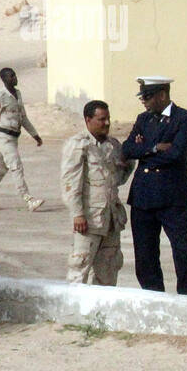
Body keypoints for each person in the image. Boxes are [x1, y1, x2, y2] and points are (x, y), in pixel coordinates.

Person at [121, 76, 187, 296]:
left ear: (163, 94)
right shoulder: (143, 120)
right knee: (145, 254)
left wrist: (144, 151)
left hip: (170, 196)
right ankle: (153, 296)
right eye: (142, 96)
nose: (143, 101)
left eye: (147, 96)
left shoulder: (184, 119)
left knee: (182, 251)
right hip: (143, 195)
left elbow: (177, 154)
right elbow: (127, 149)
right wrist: (156, 147)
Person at [61, 100, 132, 285]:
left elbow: (119, 179)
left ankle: (100, 313)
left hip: (111, 219)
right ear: (88, 120)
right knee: (80, 268)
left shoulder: (113, 145)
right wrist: (77, 214)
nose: (107, 123)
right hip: (89, 219)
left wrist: (130, 160)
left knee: (109, 268)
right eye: (101, 119)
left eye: (108, 119)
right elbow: (70, 183)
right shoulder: (78, 145)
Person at [0, 67, 45, 212]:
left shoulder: (18, 94)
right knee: (16, 166)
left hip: (14, 137)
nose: (15, 78)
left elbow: (23, 117)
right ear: (4, 79)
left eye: (15, 75)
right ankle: (28, 199)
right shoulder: (0, 96)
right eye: (11, 76)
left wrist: (35, 134)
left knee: (1, 168)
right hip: (4, 137)